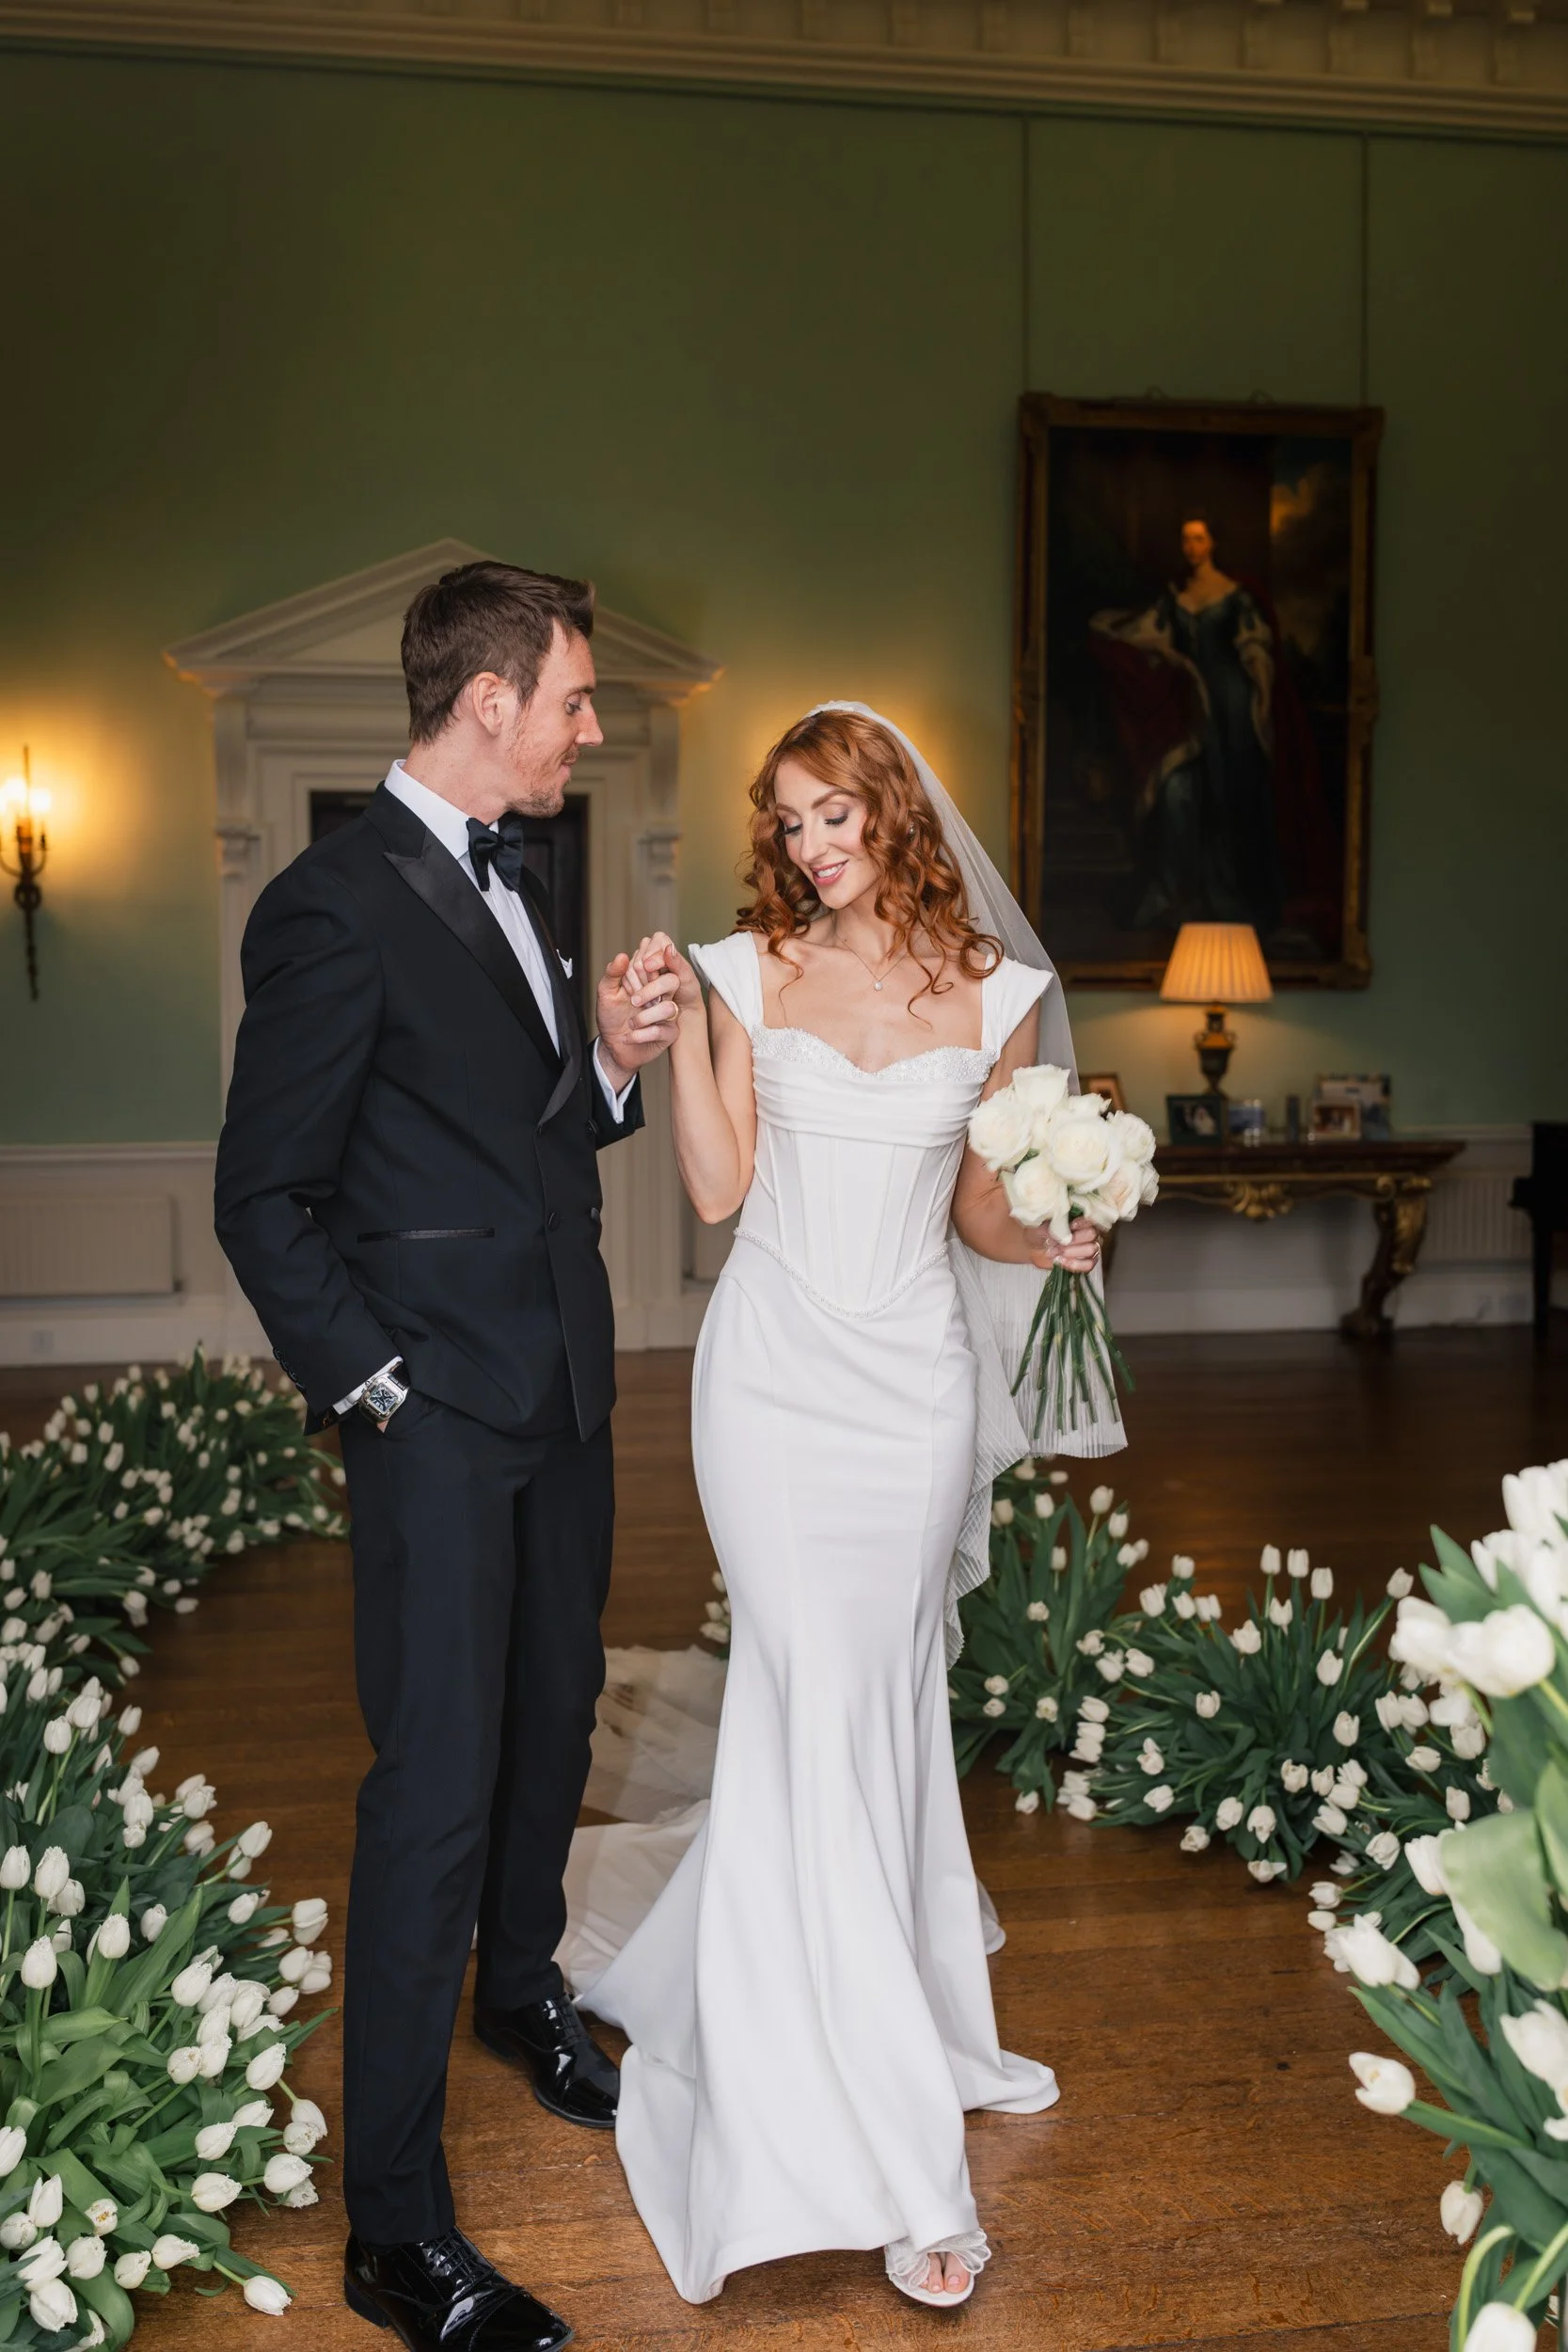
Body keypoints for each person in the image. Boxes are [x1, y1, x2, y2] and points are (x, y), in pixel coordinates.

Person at [570, 704, 1123, 2311]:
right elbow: (721, 1191)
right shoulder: (742, 973)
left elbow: (974, 1207)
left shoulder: (1000, 995)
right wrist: (680, 1056)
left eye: (835, 815)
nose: (811, 847)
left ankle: (843, 2002)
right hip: (770, 1380)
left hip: (913, 1390)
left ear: (892, 813)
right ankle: (893, 2151)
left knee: (872, 1702)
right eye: (789, 822)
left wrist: (1057, 1239)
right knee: (806, 1692)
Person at [214, 562, 680, 2352]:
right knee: (431, 1787)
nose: (587, 728)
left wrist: (619, 1065)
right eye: (571, 698)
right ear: (486, 702)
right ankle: (394, 2232)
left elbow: (536, 1133)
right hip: (433, 1414)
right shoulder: (328, 907)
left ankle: (518, 1989)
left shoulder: (532, 887)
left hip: (563, 1387)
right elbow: (265, 1197)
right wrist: (377, 1391)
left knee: (556, 1710)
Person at [1091, 514, 1283, 935]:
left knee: (1231, 795)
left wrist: (1262, 699)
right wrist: (1175, 659)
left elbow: (1255, 651)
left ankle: (1231, 894)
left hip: (1230, 704)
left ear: (1212, 542)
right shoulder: (1174, 598)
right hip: (1190, 702)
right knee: (1182, 789)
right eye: (1185, 539)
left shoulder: (1235, 596)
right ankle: (1181, 892)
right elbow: (1130, 632)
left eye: (1198, 538)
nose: (1191, 547)